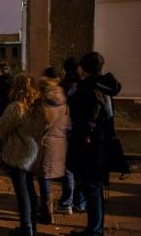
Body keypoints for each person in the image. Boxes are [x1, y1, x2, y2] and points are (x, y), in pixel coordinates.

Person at [67, 52, 124, 236]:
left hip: (90, 147)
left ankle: (94, 230)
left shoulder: (90, 88)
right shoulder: (103, 85)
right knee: (94, 188)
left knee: (92, 188)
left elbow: (90, 116)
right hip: (99, 145)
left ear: (85, 68)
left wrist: (87, 132)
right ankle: (94, 228)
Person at [0, 74, 45, 236]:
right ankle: (32, 225)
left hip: (18, 153)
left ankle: (27, 227)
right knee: (30, 189)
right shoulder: (39, 108)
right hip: (34, 151)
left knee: (22, 191)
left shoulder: (17, 107)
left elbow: (1, 129)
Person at [36, 67, 70, 225]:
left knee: (44, 178)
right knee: (52, 176)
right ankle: (65, 204)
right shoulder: (62, 96)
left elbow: (40, 122)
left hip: (46, 141)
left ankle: (47, 212)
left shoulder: (43, 97)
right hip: (60, 140)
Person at [57, 57, 87, 215]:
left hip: (65, 129)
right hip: (82, 130)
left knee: (68, 168)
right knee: (81, 166)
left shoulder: (62, 86)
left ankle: (66, 202)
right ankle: (80, 202)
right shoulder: (84, 86)